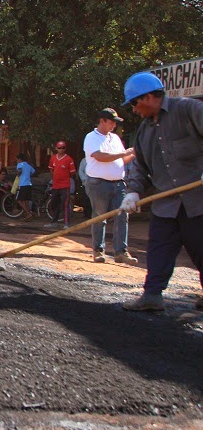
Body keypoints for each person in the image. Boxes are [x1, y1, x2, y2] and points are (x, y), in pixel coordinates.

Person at [118, 72, 203, 312]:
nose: (133, 110)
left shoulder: (188, 110)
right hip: (166, 204)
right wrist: (133, 192)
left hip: (198, 201)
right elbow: (139, 167)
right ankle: (152, 296)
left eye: (134, 103)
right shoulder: (144, 132)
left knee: (201, 249)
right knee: (158, 250)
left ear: (148, 97)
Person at [83, 108, 137, 264]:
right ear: (102, 121)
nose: (114, 125)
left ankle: (121, 251)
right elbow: (100, 157)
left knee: (122, 215)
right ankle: (98, 250)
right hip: (98, 183)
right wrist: (124, 153)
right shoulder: (91, 137)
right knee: (100, 216)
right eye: (111, 122)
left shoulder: (114, 138)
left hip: (118, 183)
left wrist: (132, 154)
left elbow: (120, 161)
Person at [45, 141, 76, 229]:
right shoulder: (53, 158)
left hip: (65, 185)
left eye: (63, 148)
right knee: (54, 203)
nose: (61, 150)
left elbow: (72, 172)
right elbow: (51, 169)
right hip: (55, 185)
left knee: (65, 204)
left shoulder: (69, 159)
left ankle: (66, 223)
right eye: (59, 148)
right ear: (56, 148)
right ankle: (54, 221)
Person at [15, 153, 35, 221]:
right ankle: (28, 215)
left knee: (19, 200)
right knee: (26, 200)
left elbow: (20, 170)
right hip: (29, 184)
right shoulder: (28, 165)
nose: (16, 161)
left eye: (17, 160)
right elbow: (33, 171)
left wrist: (18, 175)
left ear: (19, 159)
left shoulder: (20, 164)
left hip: (22, 184)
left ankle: (28, 213)